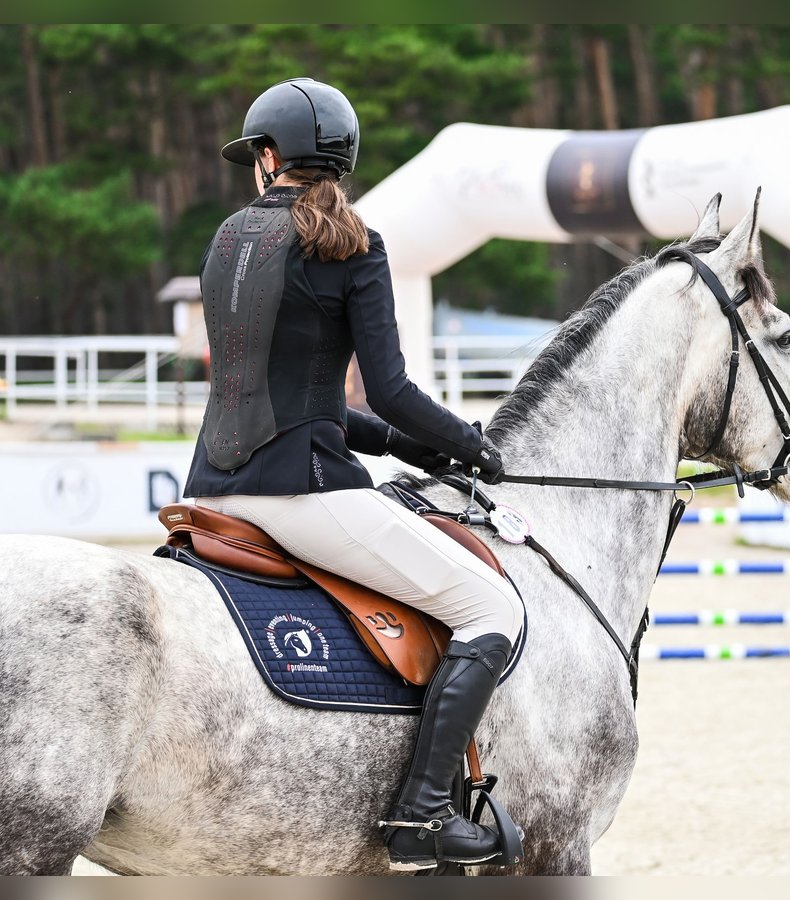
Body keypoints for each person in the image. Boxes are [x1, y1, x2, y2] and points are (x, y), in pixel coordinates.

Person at [184, 77, 523, 871]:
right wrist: (471, 446)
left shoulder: (228, 238)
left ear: (269, 158)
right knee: (489, 604)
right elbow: (394, 390)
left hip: (211, 492)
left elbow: (290, 397)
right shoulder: (354, 247)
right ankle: (422, 818)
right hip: (302, 497)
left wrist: (406, 450)